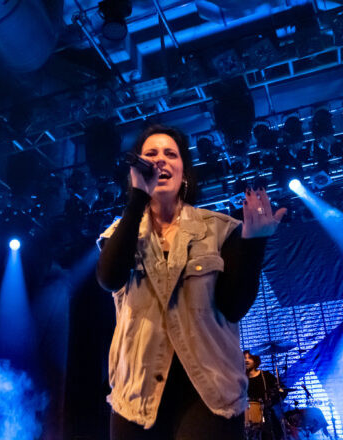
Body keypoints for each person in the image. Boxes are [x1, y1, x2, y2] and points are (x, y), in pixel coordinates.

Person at [96, 124, 287, 440]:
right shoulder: (122, 231)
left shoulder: (219, 230)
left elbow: (233, 306)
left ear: (184, 172)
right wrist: (137, 199)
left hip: (209, 392)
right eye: (151, 154)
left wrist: (254, 244)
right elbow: (108, 278)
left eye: (170, 154)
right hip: (136, 393)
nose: (160, 160)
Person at [244, 351, 286, 440]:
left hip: (267, 415)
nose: (246, 360)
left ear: (256, 360)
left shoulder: (265, 375)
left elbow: (282, 390)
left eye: (249, 358)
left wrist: (271, 401)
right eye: (244, 358)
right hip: (245, 418)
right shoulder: (240, 379)